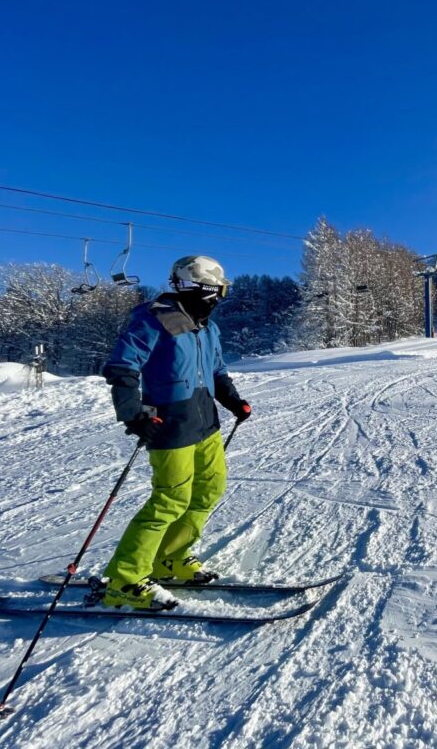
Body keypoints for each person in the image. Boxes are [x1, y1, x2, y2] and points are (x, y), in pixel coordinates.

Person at [98, 255, 251, 610]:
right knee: (169, 500)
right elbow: (121, 367)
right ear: (201, 290)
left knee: (209, 489)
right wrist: (132, 414)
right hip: (170, 425)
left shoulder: (207, 327)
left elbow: (217, 372)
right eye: (218, 291)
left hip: (205, 423)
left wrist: (234, 402)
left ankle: (169, 558)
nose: (220, 299)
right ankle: (125, 579)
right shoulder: (155, 319)